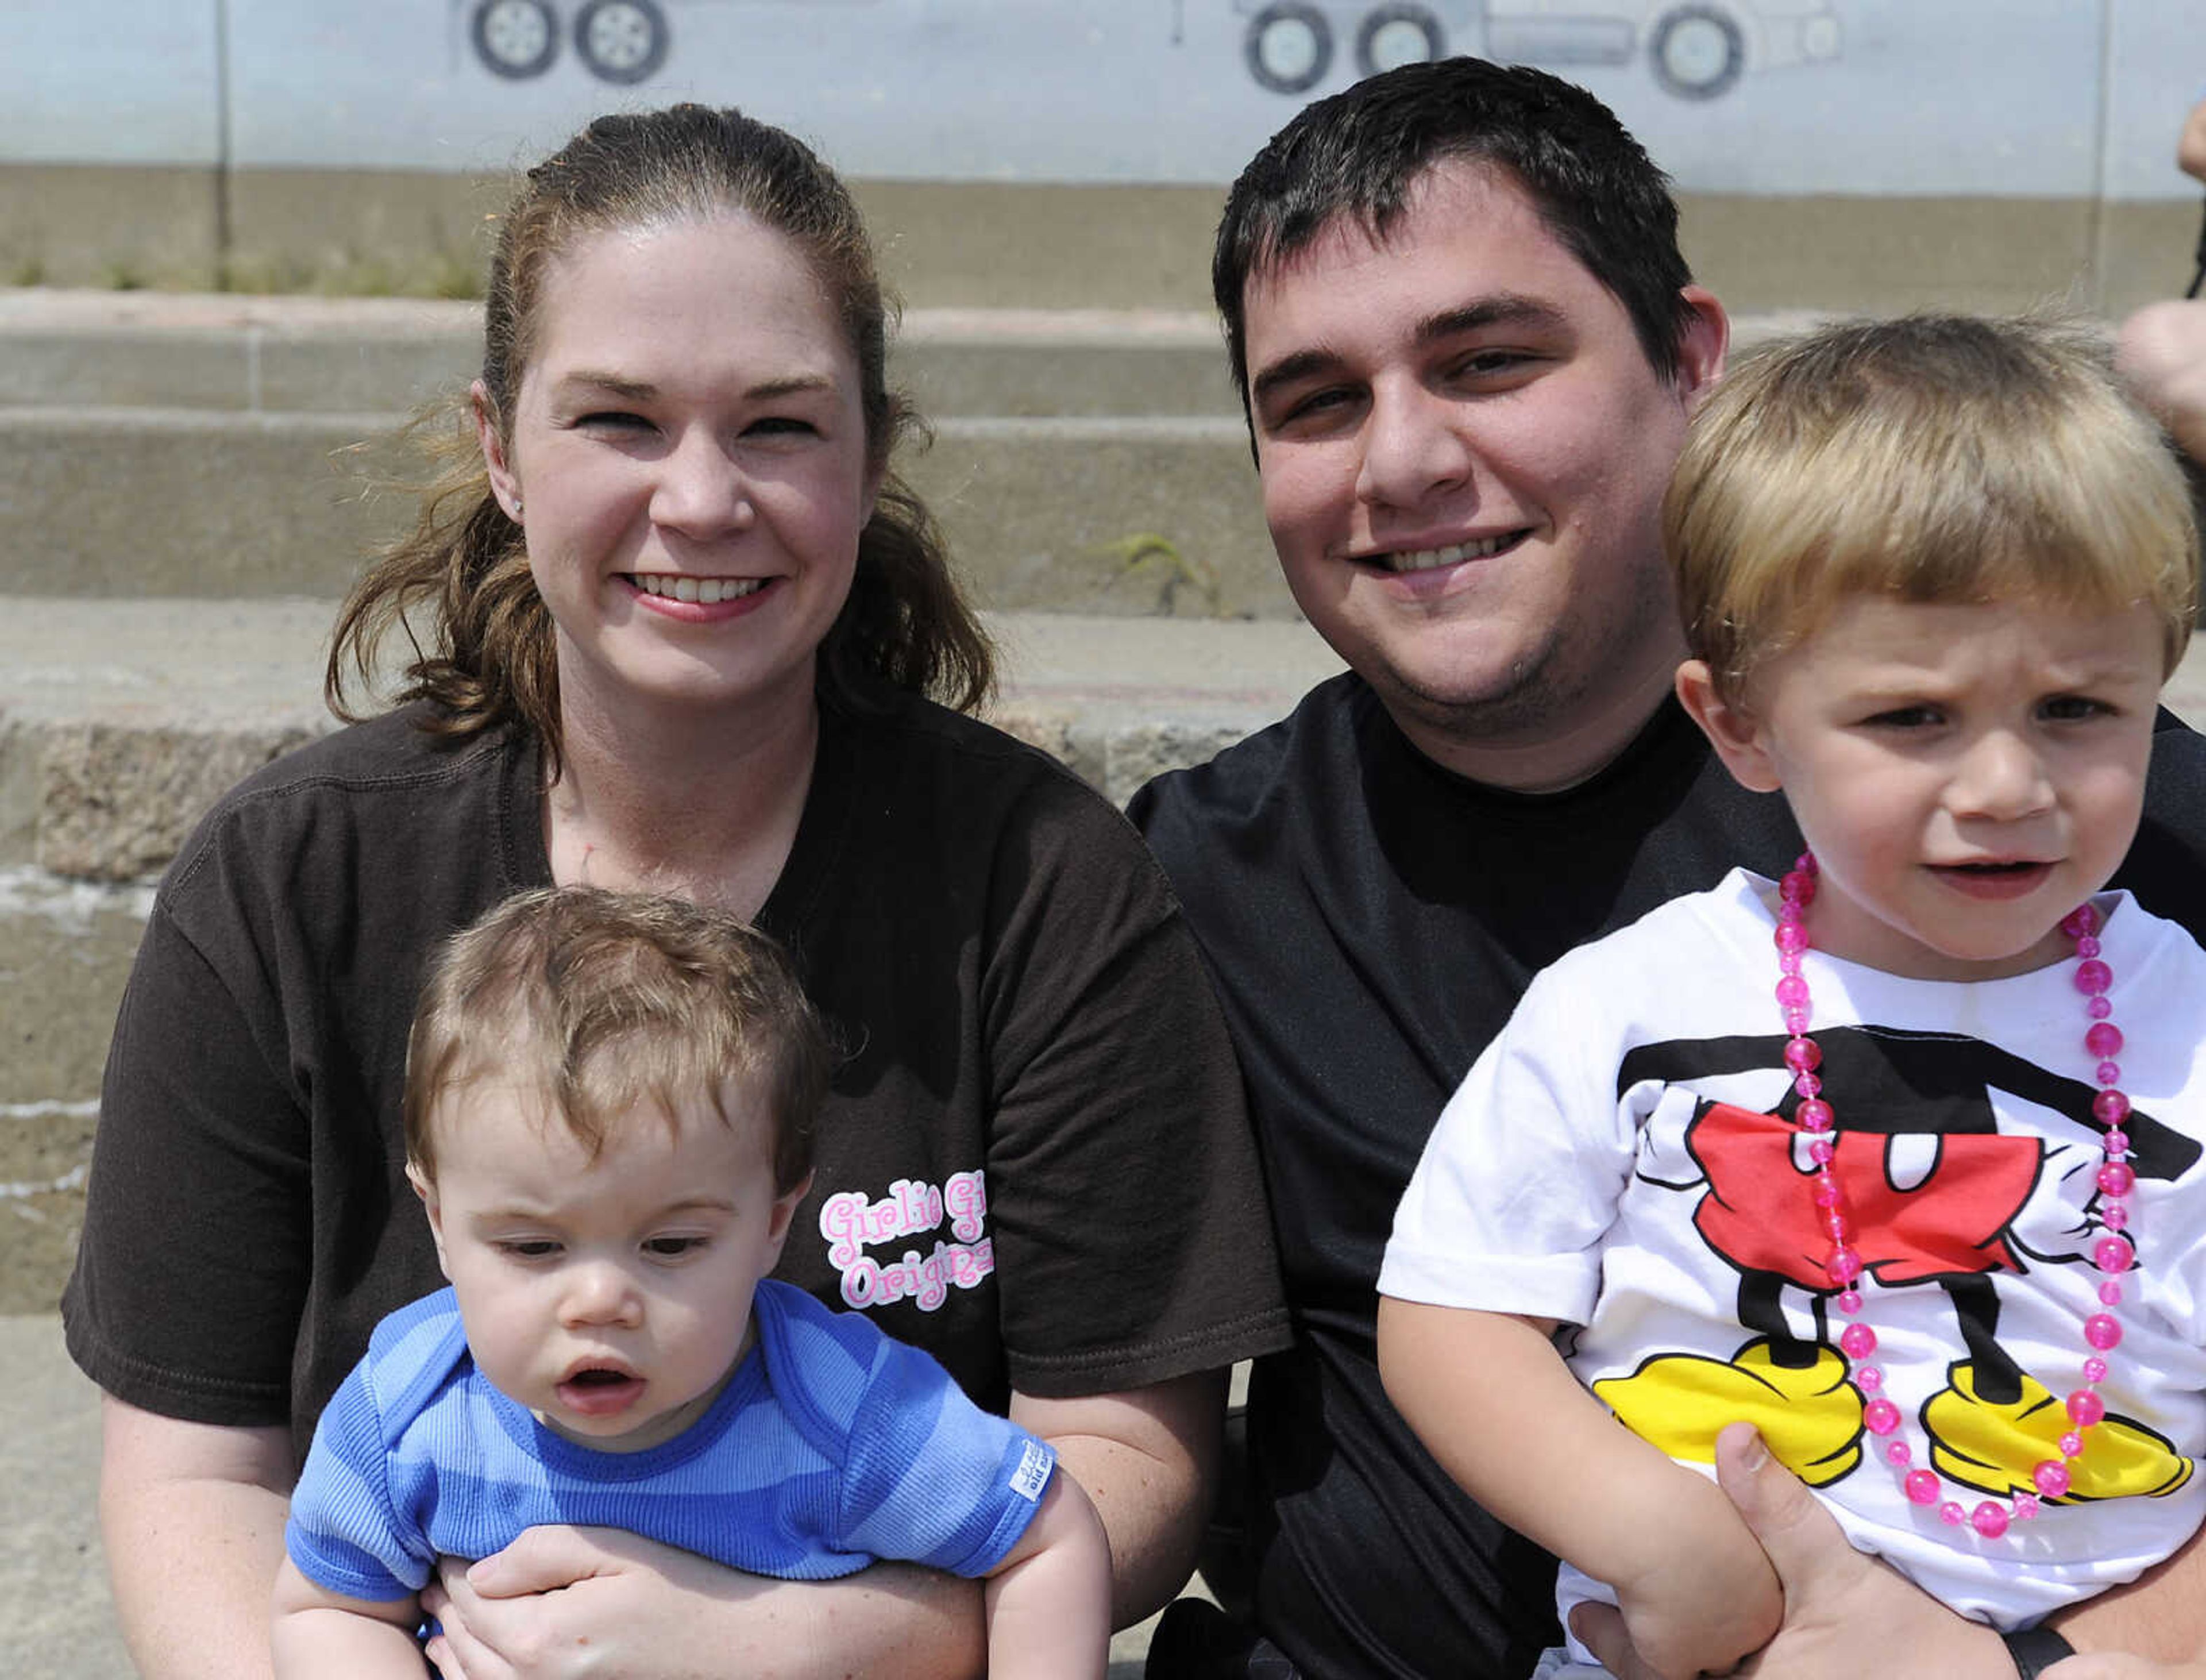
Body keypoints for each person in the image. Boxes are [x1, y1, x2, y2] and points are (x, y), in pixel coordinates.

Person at [63, 103, 1287, 1680]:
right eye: (619, 421)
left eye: (778, 424)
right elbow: (191, 1475)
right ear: (502, 450)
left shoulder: (1042, 884)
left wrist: (826, 1635)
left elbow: (1127, 1450)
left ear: (872, 453)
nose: (702, 499)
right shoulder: (291, 879)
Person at [1131, 57, 2206, 1680]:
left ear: (1688, 359)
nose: (1403, 460)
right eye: (1318, 400)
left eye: (1489, 361)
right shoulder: (1191, 881)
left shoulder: (2108, 828)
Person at [1378, 314, 2206, 1680]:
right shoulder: (1628, 1001)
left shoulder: (2186, 1026)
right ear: (1742, 725)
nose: (2007, 785)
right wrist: (1656, 1535)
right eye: (1913, 719)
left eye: (2076, 709)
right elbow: (1454, 1313)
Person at [273, 887, 1110, 1679]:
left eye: (671, 1244)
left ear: (774, 1223)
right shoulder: (405, 1411)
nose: (599, 1301)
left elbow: (1045, 1537)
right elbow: (329, 1608)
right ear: (438, 1220)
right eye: (533, 1247)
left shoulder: (843, 1410)